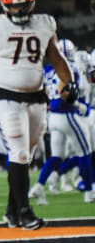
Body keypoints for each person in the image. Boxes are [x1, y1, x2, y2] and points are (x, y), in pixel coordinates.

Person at [0, 0, 78, 230]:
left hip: (36, 97)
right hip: (4, 97)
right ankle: (25, 212)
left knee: (25, 157)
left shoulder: (44, 23)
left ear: (31, 2)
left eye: (22, 4)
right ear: (4, 5)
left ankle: (10, 211)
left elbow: (55, 56)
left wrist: (68, 82)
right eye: (13, 5)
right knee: (18, 152)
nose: (18, 10)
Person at [28, 39, 93, 205]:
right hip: (67, 113)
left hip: (53, 116)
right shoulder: (68, 67)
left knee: (57, 155)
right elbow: (63, 91)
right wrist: (79, 105)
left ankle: (38, 185)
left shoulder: (48, 69)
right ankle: (89, 191)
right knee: (85, 152)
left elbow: (44, 91)